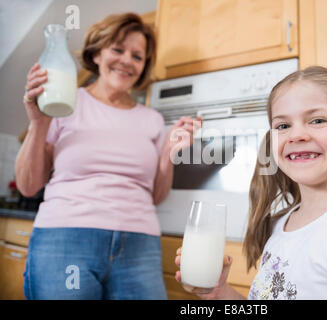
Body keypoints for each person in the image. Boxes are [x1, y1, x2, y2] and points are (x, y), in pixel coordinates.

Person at [175, 66, 327, 300]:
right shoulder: (281, 224)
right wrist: (220, 293)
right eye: (283, 125)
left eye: (317, 120)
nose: (297, 135)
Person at [16, 12, 201, 300]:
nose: (127, 60)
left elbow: (154, 196)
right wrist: (39, 123)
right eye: (117, 49)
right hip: (66, 237)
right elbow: (28, 186)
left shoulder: (152, 120)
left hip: (139, 244)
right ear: (98, 53)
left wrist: (167, 154)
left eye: (137, 56)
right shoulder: (65, 100)